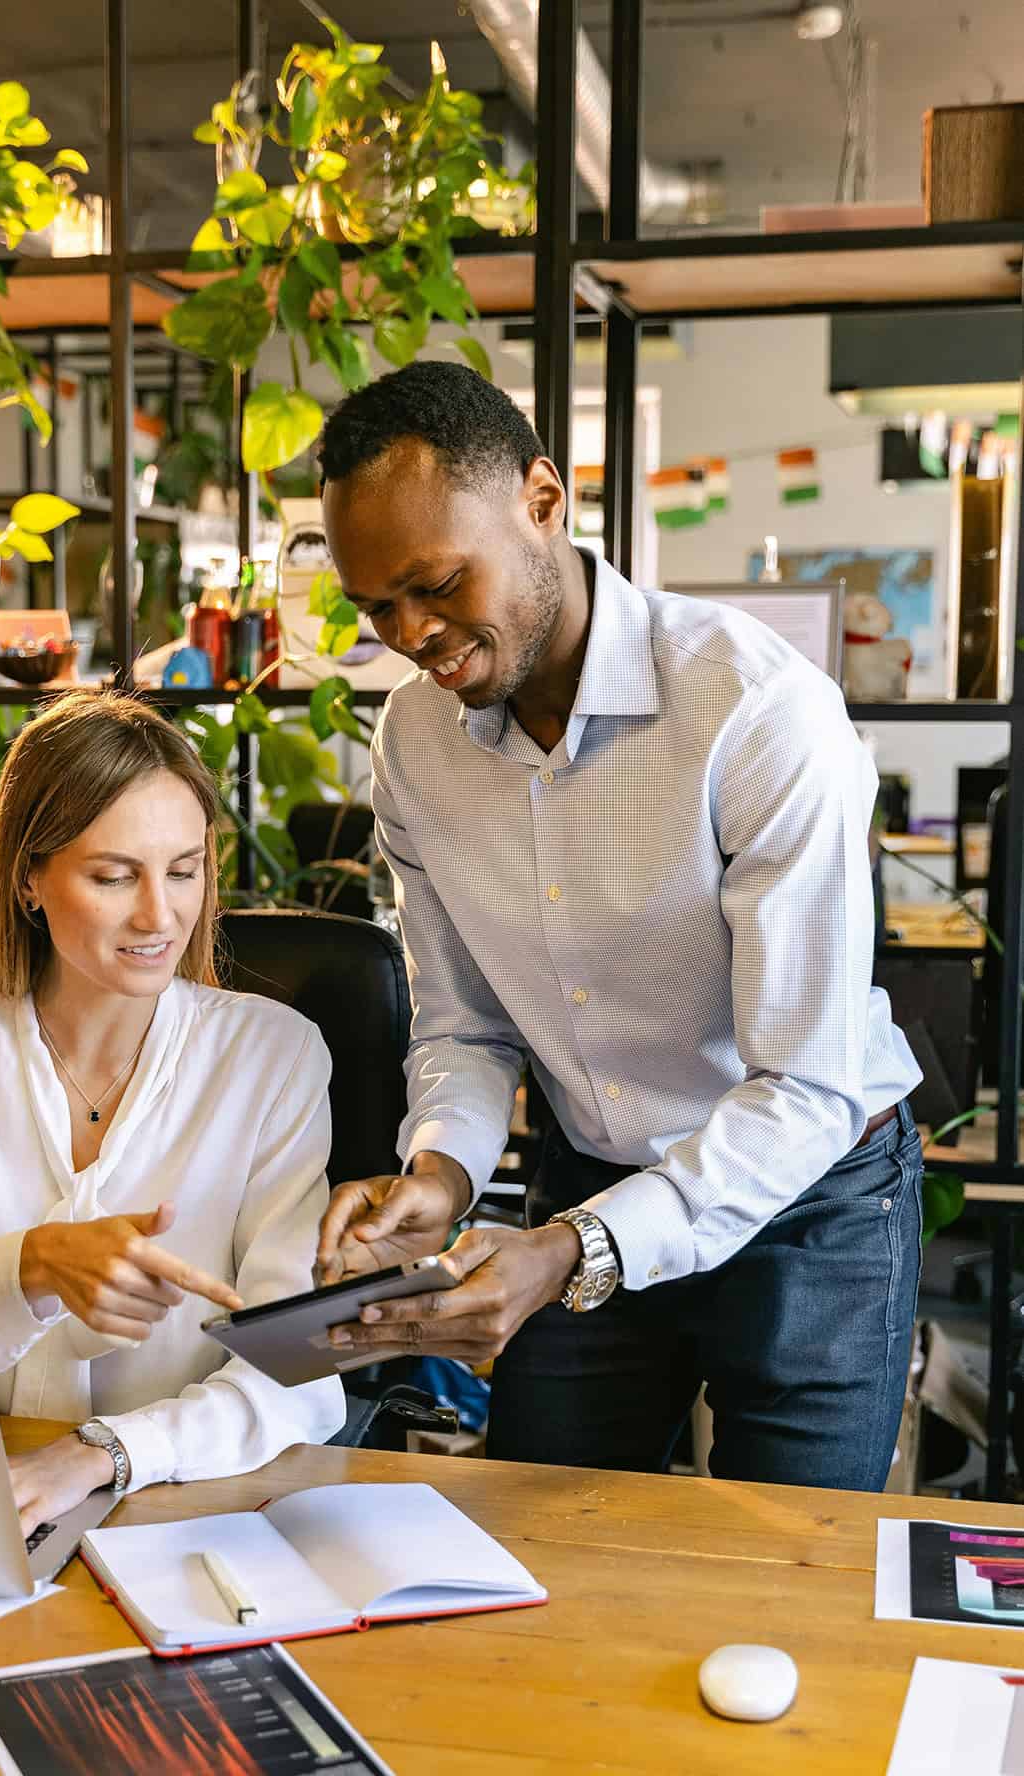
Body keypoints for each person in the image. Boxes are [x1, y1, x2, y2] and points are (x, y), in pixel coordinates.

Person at [313, 361, 922, 1492]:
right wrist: (437, 1179)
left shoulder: (753, 711)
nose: (411, 634)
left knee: (782, 1567)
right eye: (374, 606)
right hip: (588, 1171)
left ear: (542, 502)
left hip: (811, 1199)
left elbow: (802, 1084)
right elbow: (462, 1025)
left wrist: (567, 1251)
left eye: (437, 582)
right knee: (546, 1542)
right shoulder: (413, 745)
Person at [0, 691, 344, 1531]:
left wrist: (103, 1453)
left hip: (187, 1502)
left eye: (184, 870)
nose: (161, 916)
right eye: (114, 877)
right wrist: (29, 1269)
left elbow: (298, 1369)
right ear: (30, 879)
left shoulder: (273, 1055)